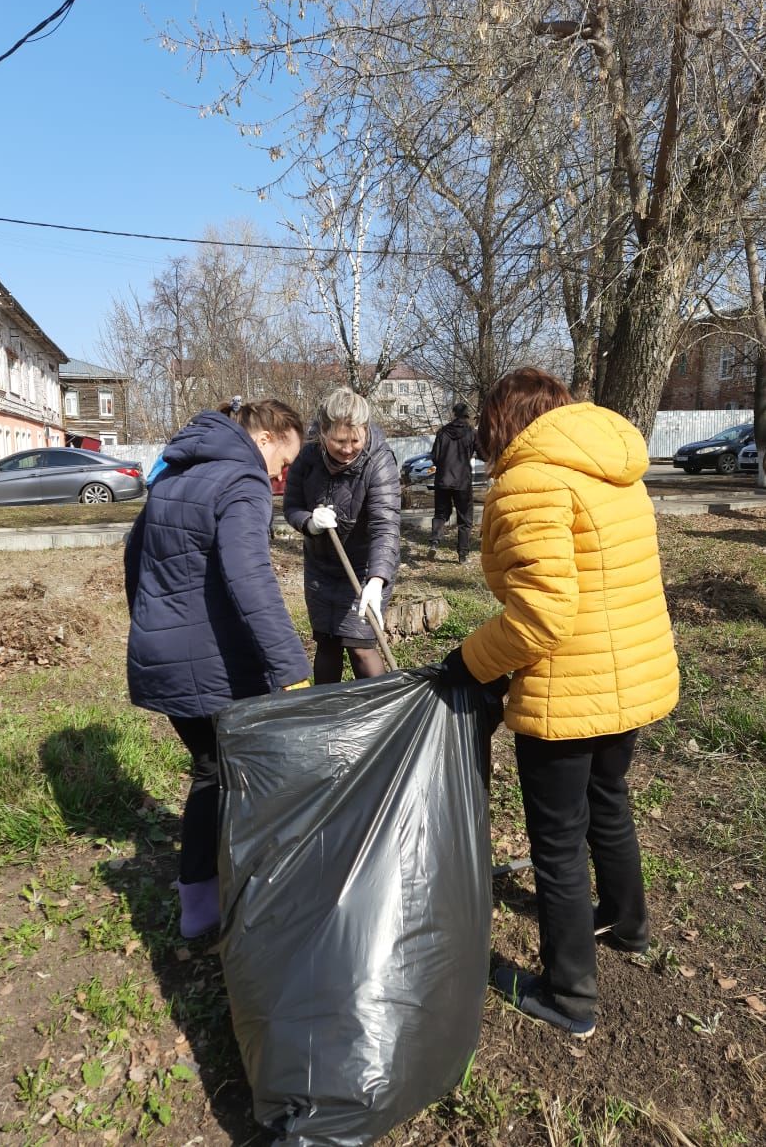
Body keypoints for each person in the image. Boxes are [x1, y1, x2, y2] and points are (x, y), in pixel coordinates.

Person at [438, 367, 679, 1039]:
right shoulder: (613, 467)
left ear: (500, 421)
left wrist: (465, 663)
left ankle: (570, 996)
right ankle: (626, 924)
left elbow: (543, 615)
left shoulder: (530, 480)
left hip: (569, 689)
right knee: (609, 798)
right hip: (633, 673)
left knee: (557, 841)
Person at [124, 398, 311, 939]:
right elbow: (250, 579)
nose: (282, 476)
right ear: (268, 438)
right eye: (285, 461)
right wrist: (290, 668)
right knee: (238, 773)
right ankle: (235, 896)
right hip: (214, 664)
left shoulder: (176, 474)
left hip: (162, 655)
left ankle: (203, 898)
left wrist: (154, 623)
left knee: (213, 769)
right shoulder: (241, 483)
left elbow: (134, 558)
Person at [284, 386, 400, 684]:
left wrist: (377, 581)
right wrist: (309, 522)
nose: (347, 449)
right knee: (327, 643)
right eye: (338, 441)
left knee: (361, 646)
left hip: (364, 569)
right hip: (321, 567)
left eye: (355, 440)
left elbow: (385, 525)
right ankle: (328, 717)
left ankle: (382, 718)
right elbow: (292, 507)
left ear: (365, 430)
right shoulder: (307, 457)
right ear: (323, 434)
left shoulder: (378, 461)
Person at [428, 401, 478, 563]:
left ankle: (435, 541)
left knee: (441, 513)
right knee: (465, 519)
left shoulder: (442, 432)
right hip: (463, 481)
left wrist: (443, 465)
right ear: (466, 416)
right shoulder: (471, 433)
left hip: (442, 480)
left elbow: (435, 457)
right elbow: (483, 454)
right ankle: (462, 555)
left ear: (454, 414)